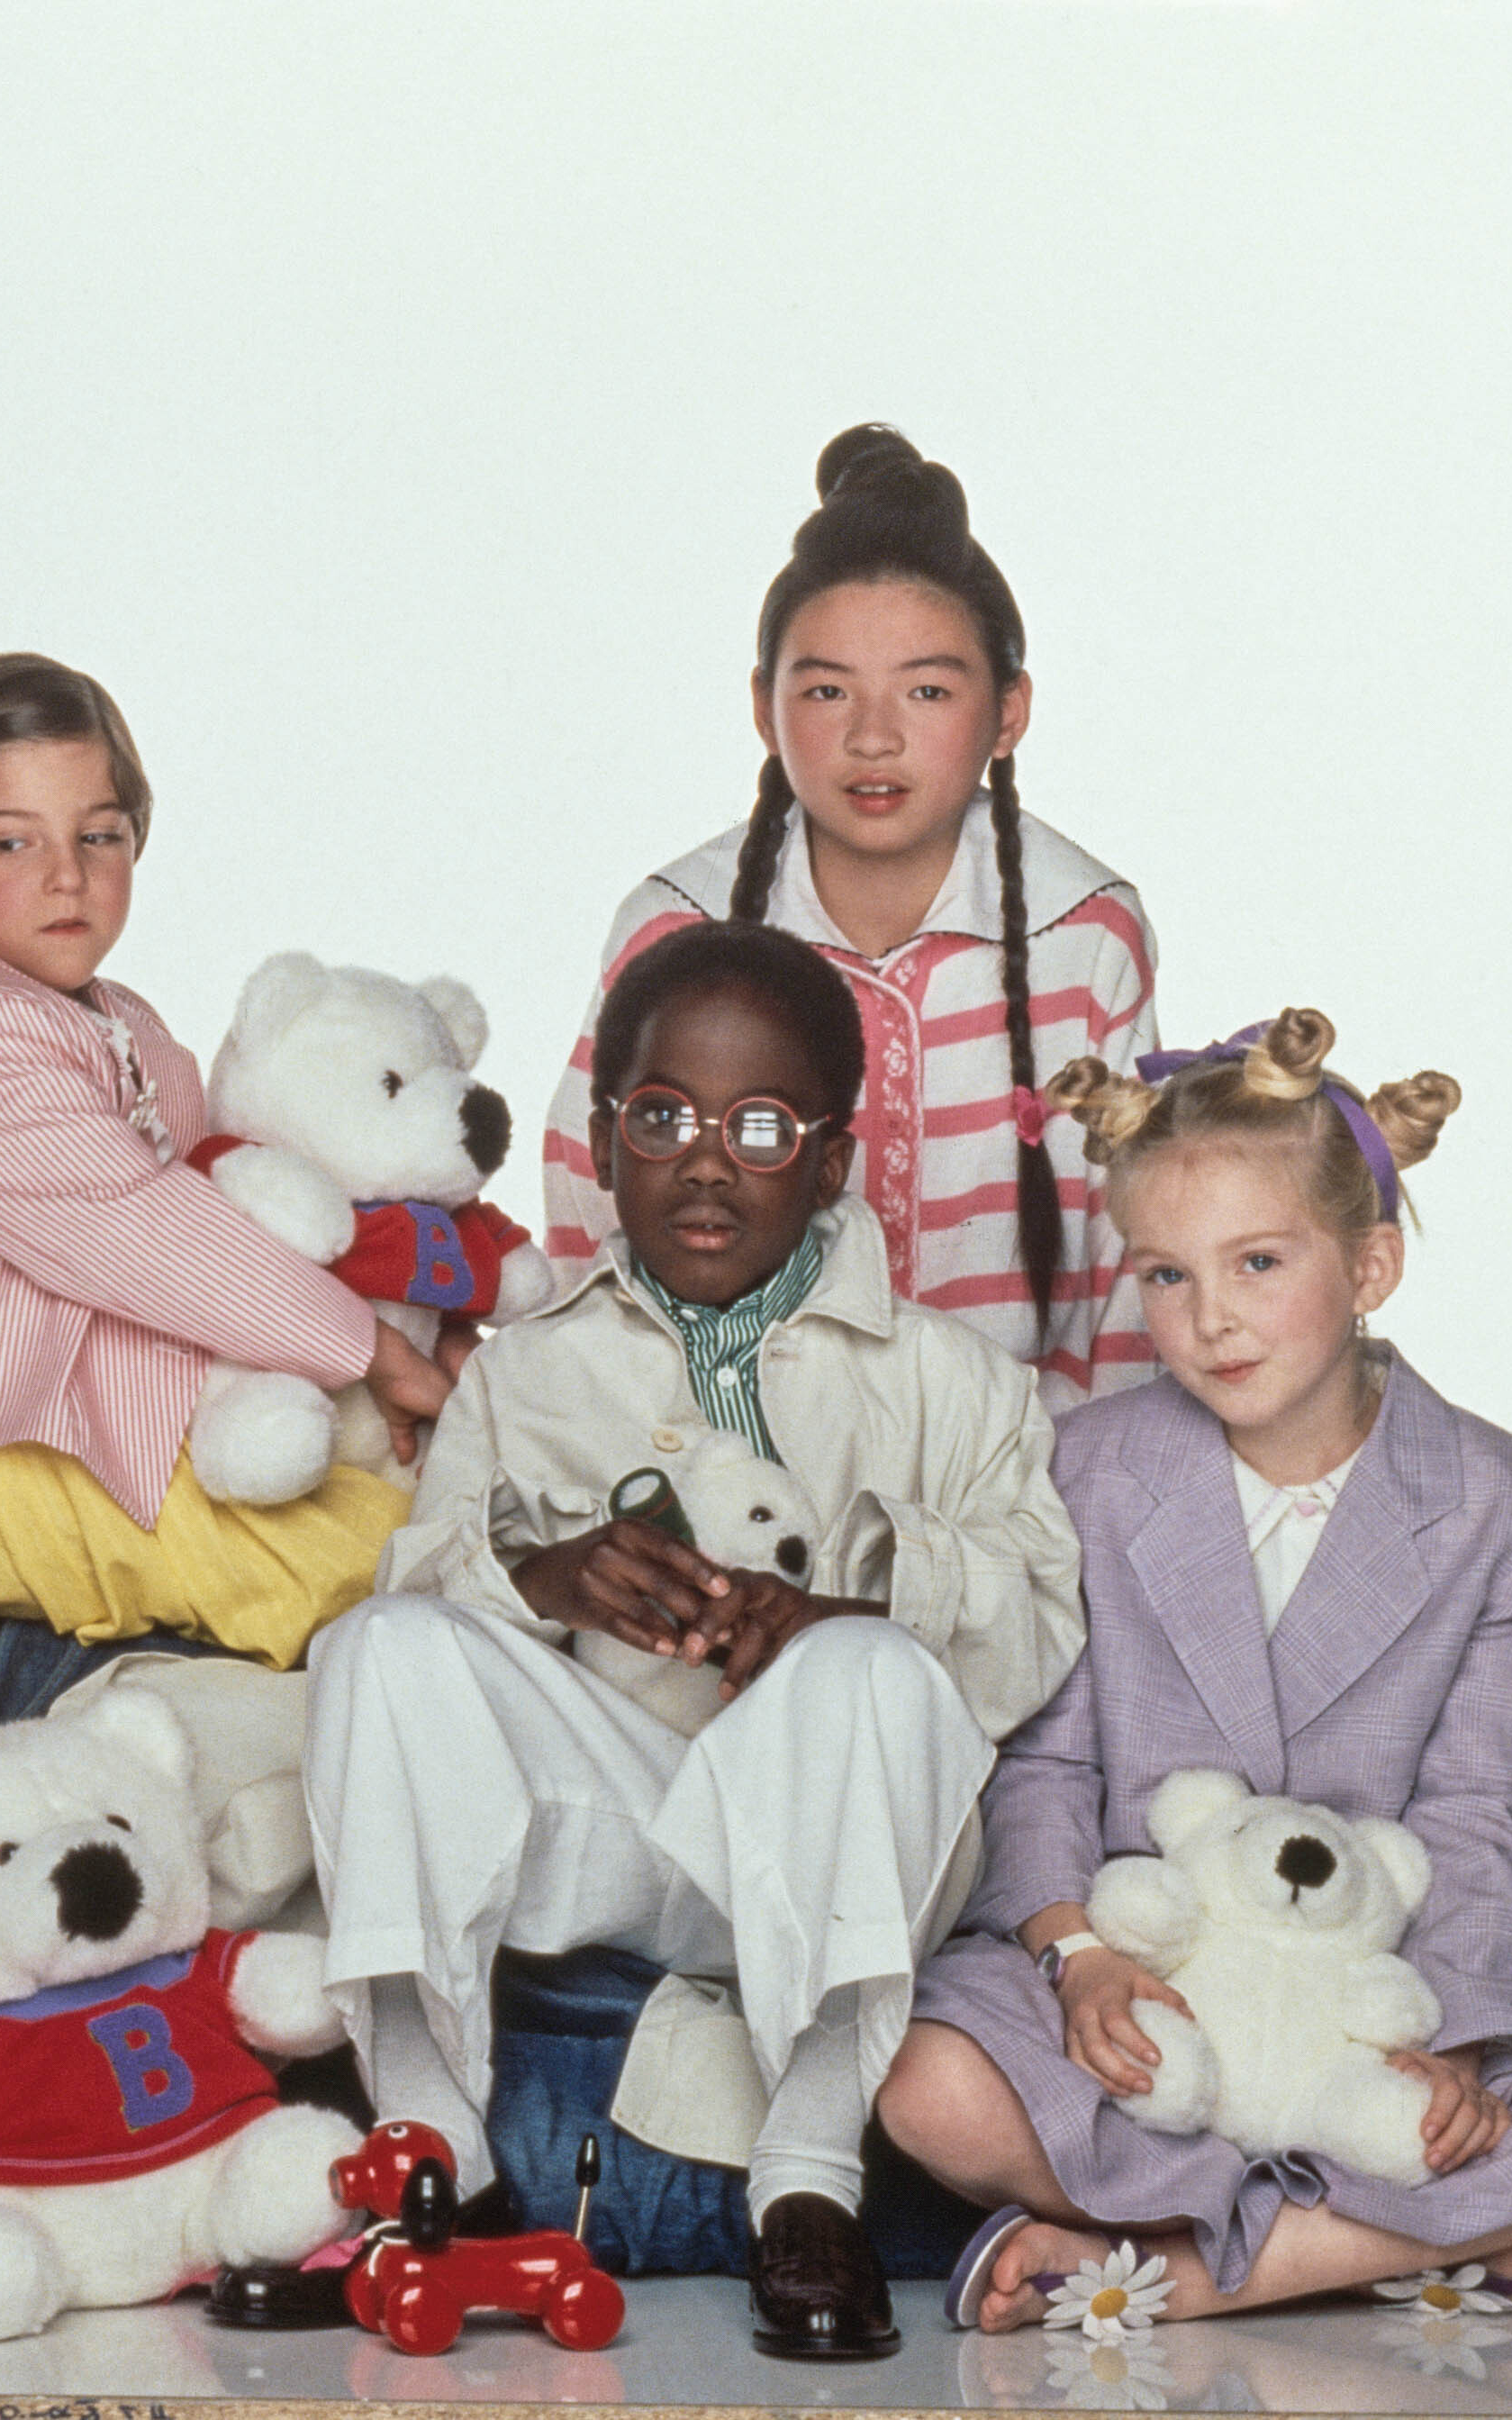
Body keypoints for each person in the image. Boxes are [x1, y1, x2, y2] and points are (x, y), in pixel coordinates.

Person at [304, 920, 1083, 2359]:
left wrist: (842, 1603)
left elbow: (1036, 1622)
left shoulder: (952, 1382)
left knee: (859, 1667)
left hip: (845, 1838)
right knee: (378, 1649)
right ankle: (431, 2145)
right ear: (602, 1144)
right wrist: (545, 1571)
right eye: (660, 1117)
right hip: (619, 1823)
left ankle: (806, 2174)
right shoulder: (526, 1371)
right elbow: (419, 1578)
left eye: (761, 1123)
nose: (706, 1160)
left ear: (833, 1160)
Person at [882, 1012, 1512, 2327]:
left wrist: (1445, 2052)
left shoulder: (1511, 1507)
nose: (1208, 1318)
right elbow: (1042, 1760)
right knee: (923, 2079)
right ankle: (1417, 2245)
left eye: (1256, 1261)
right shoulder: (1084, 1469)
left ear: (1368, 1261)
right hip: (1135, 1987)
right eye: (1162, 1275)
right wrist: (1079, 1955)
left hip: (1362, 1999)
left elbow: (1480, 1807)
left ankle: (1178, 2272)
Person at [0, 652, 451, 1688]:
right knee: (347, 1565)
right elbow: (151, 1235)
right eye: (12, 840)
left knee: (375, 1514)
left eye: (98, 835)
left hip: (58, 1438)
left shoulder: (119, 1020)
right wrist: (373, 1348)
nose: (67, 874)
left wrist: (416, 1286)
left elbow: (237, 1189)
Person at [541, 426, 1161, 1407]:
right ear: (762, 706)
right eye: (826, 689)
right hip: (724, 1478)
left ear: (1006, 711)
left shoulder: (1081, 931)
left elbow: (1129, 1259)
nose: (873, 737)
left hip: (1021, 1487)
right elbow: (586, 1230)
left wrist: (1085, 1507)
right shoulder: (677, 927)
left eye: (925, 689)